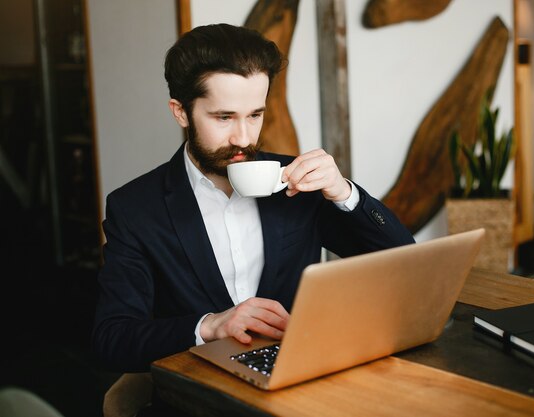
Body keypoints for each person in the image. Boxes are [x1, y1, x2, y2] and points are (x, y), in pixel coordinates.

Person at [92, 23, 414, 412]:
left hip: (302, 385)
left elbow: (402, 263)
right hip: (199, 401)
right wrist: (209, 326)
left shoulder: (298, 183)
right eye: (224, 117)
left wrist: (343, 192)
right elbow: (112, 340)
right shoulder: (136, 208)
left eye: (255, 115)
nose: (244, 138)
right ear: (181, 112)